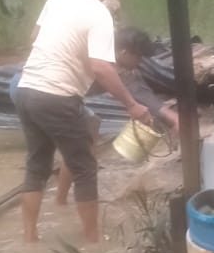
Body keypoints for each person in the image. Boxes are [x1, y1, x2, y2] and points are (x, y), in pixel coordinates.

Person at [14, 0, 151, 243]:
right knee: (85, 168)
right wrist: (131, 105)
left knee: (37, 164)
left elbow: (34, 37)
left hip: (27, 89)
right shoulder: (98, 13)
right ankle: (93, 241)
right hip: (56, 94)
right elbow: (100, 67)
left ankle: (29, 238)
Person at [54, 27, 180, 206]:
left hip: (53, 95)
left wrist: (170, 117)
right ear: (124, 52)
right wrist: (172, 117)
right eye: (138, 57)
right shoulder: (106, 65)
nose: (139, 62)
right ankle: (81, 212)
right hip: (52, 96)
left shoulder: (115, 62)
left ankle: (61, 201)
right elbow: (136, 93)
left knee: (85, 136)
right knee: (82, 152)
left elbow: (142, 93)